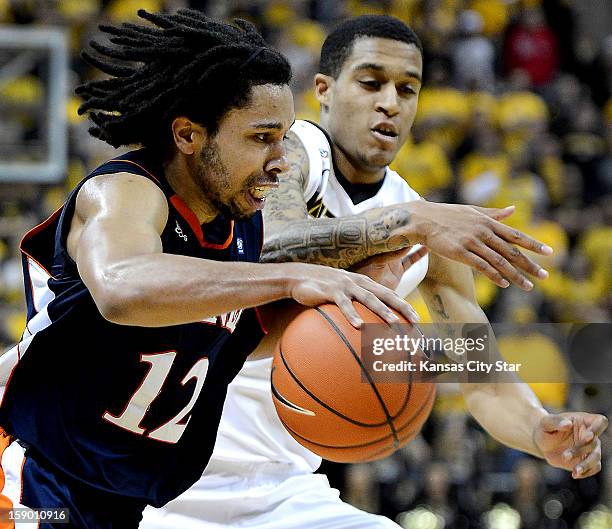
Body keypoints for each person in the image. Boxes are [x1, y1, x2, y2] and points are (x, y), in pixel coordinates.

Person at [141, 15, 608, 529]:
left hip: (283, 489)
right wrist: (414, 222)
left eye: (408, 89)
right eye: (371, 82)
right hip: (158, 473)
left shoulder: (425, 223)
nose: (391, 101)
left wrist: (540, 429)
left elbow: (484, 379)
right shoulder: (284, 152)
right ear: (323, 90)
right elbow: (269, 249)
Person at [0, 10, 422, 529]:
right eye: (261, 138)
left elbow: (241, 337)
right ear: (188, 136)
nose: (281, 161)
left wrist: (351, 302)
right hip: (29, 467)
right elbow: (122, 287)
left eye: (284, 137)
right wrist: (290, 276)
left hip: (120, 498)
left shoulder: (239, 224)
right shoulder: (125, 191)